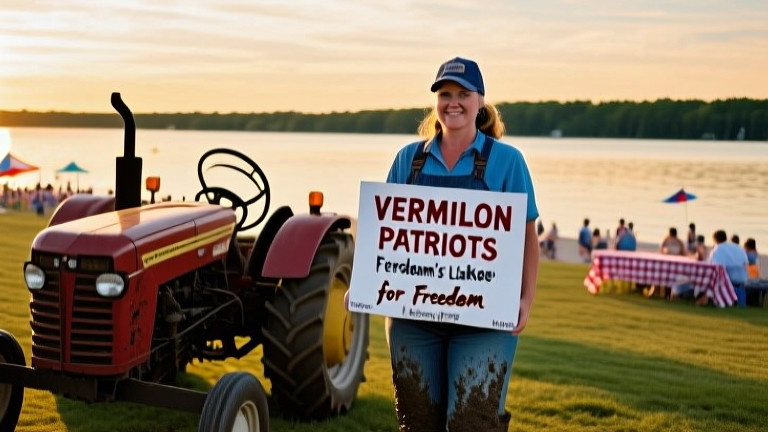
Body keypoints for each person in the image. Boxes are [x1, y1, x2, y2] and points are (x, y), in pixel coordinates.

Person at [383, 57, 539, 432]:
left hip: (485, 320)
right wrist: (363, 284)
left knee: (472, 421)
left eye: (463, 94)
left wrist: (525, 299)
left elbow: (527, 239)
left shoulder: (507, 161)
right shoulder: (409, 160)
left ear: (480, 101)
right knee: (417, 419)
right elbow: (384, 234)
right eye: (445, 94)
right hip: (413, 319)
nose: (453, 102)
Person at [709, 229, 749, 308]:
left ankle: (716, 300)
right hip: (742, 277)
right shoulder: (738, 247)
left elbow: (715, 265)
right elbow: (746, 263)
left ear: (715, 239)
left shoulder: (718, 249)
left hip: (728, 278)